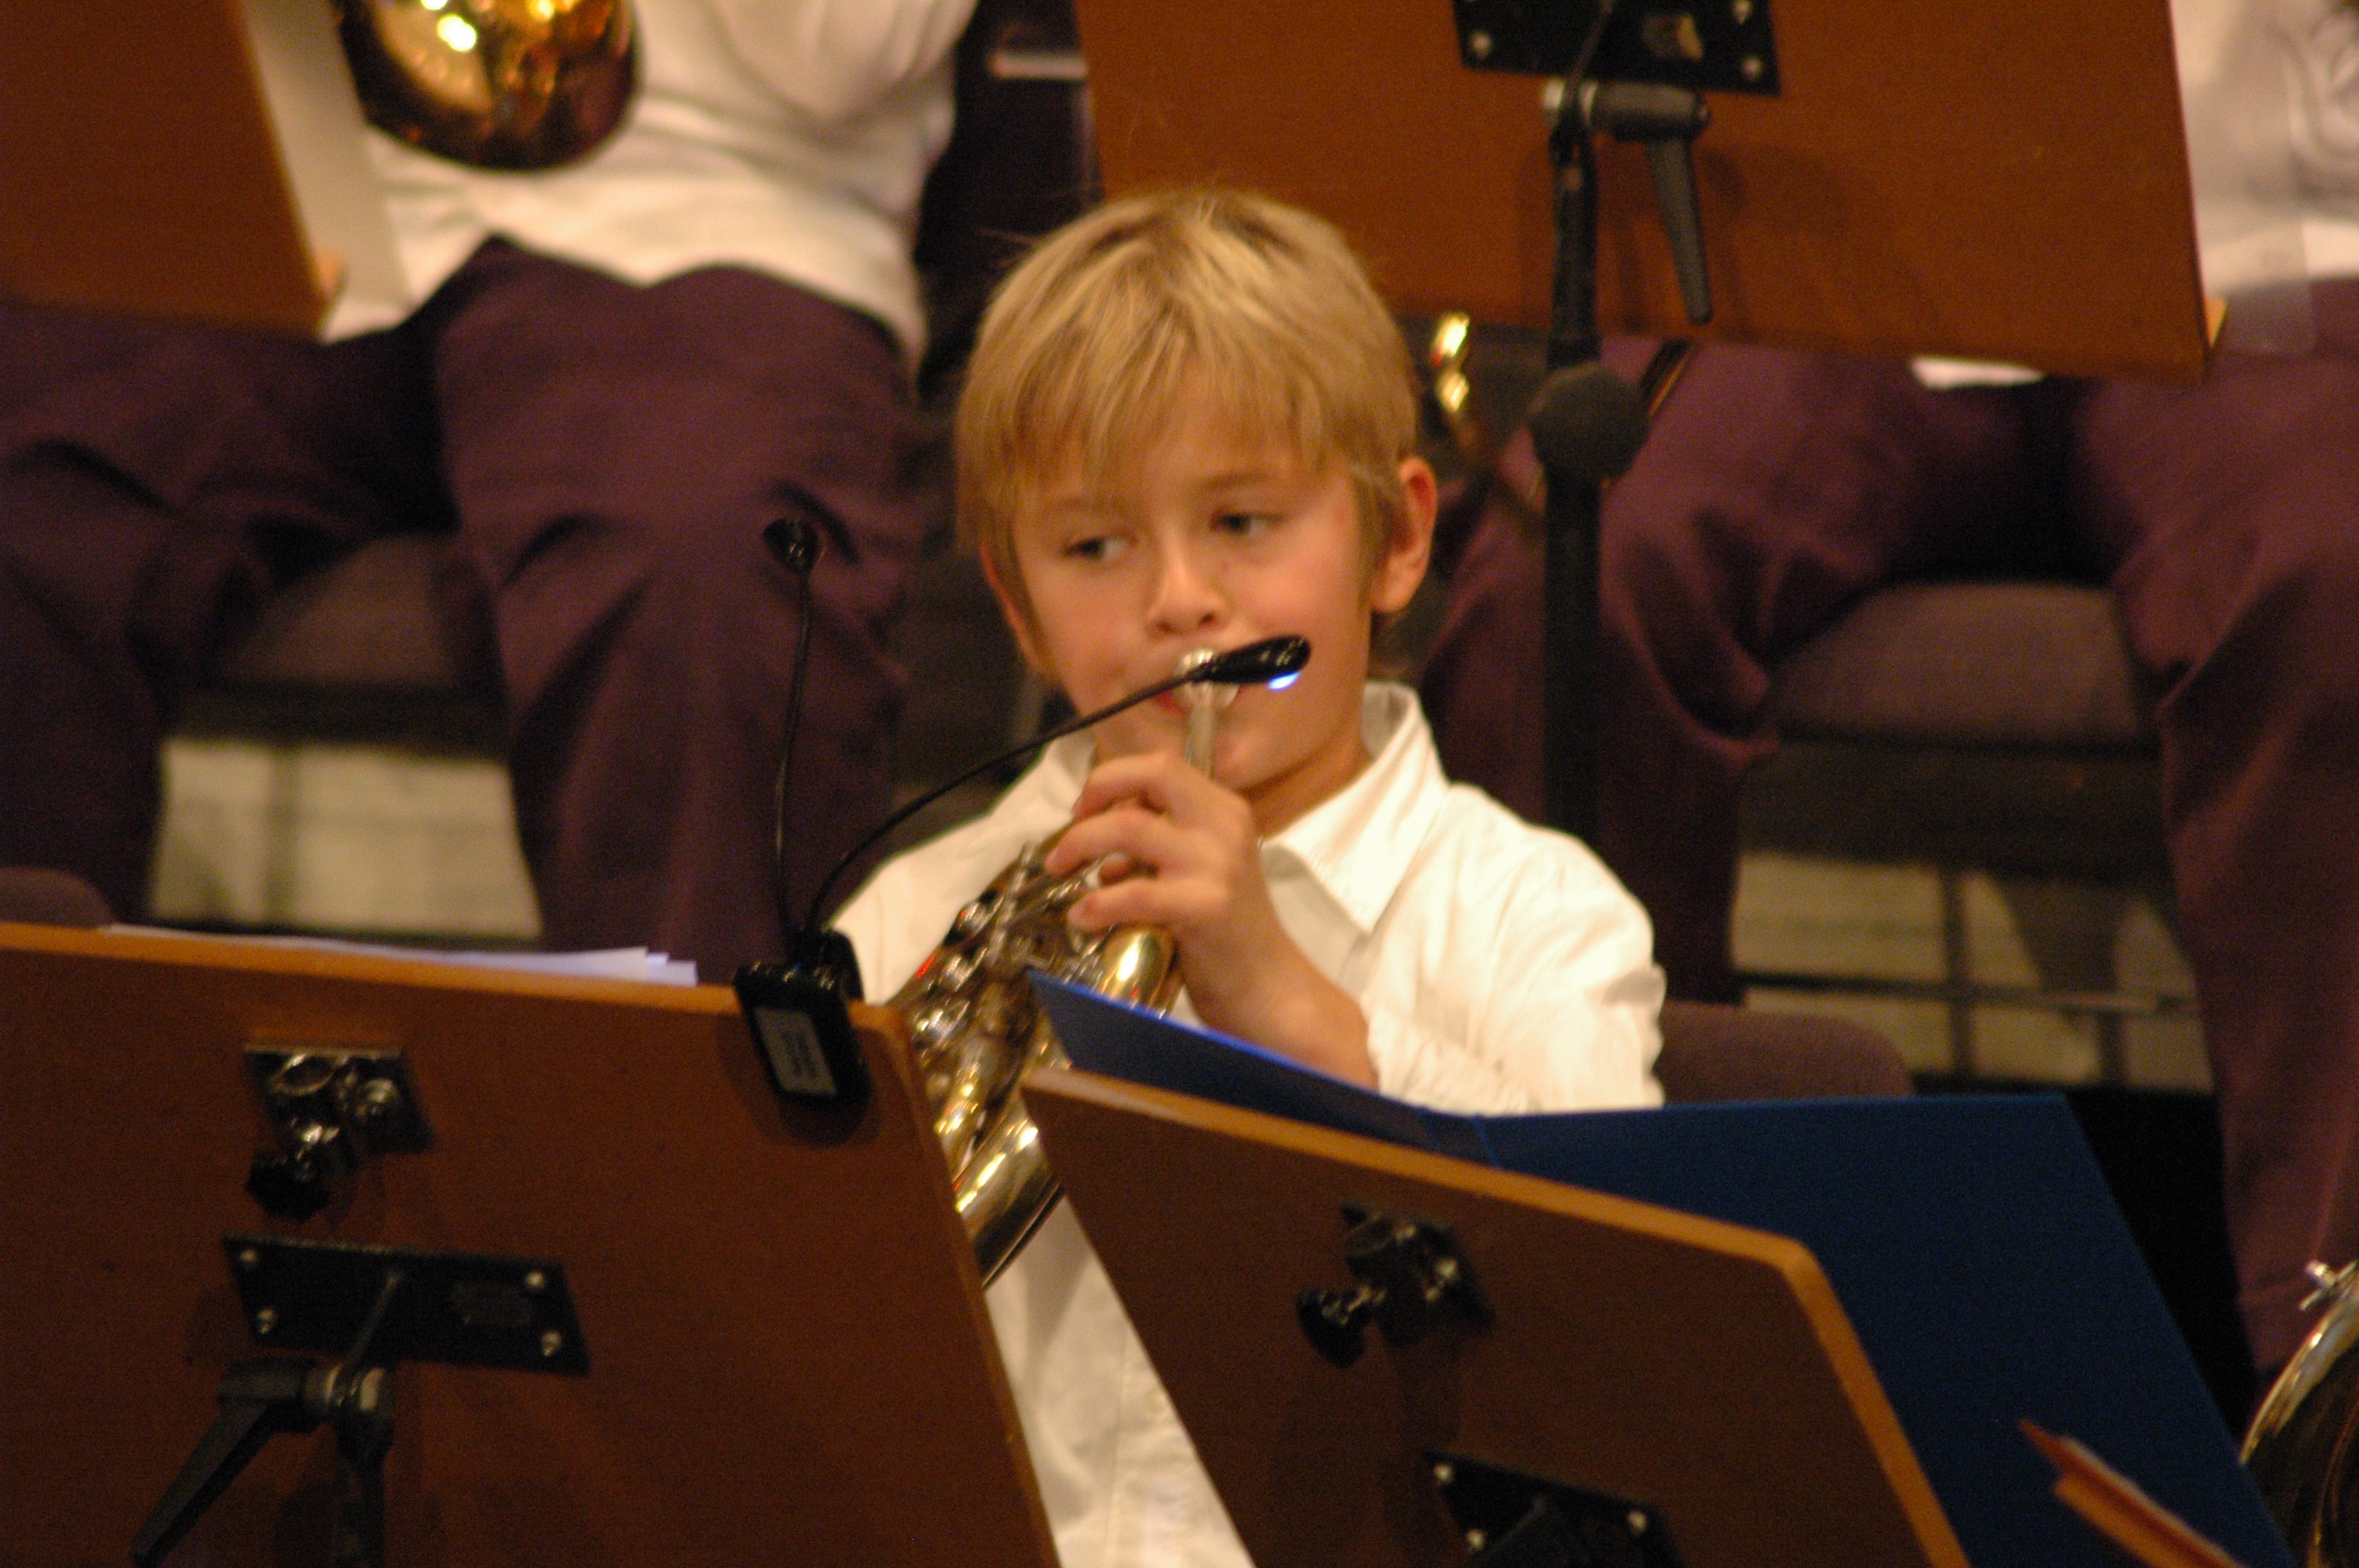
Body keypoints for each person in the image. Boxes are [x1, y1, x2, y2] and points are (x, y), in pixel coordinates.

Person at [1418, 0, 2359, 1375]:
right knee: (1569, 574)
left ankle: (2325, 1394)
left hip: (2269, 244)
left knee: (2333, 583)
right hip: (1846, 246)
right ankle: (1624, 1312)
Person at [831, 189, 1664, 1567]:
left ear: (1397, 539)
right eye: (1093, 546)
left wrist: (1284, 1003)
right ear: (1016, 606)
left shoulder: (1536, 915)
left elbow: (1615, 1306)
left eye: (1241, 521)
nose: (1178, 599)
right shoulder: (916, 912)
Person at [0, 0, 977, 975]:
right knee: (36, 496)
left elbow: (851, 53)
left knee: (709, 566)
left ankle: (681, 1071)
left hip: (714, 210)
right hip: (301, 178)